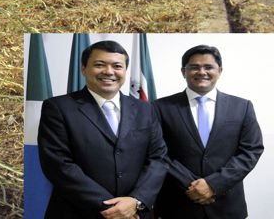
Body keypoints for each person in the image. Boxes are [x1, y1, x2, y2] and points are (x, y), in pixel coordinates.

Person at [38, 40, 167, 219]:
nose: (109, 71)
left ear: (124, 71)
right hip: (78, 212)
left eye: (117, 66)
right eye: (99, 65)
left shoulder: (145, 109)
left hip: (135, 213)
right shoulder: (58, 107)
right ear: (84, 69)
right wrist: (114, 209)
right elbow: (58, 165)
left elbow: (158, 159)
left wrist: (136, 201)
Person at [153, 45, 264, 219]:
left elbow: (251, 150)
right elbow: (157, 152)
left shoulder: (242, 107)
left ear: (219, 71)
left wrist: (213, 184)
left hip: (227, 206)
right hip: (177, 205)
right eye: (194, 67)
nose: (201, 72)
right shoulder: (159, 107)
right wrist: (192, 186)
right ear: (184, 71)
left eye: (208, 67)